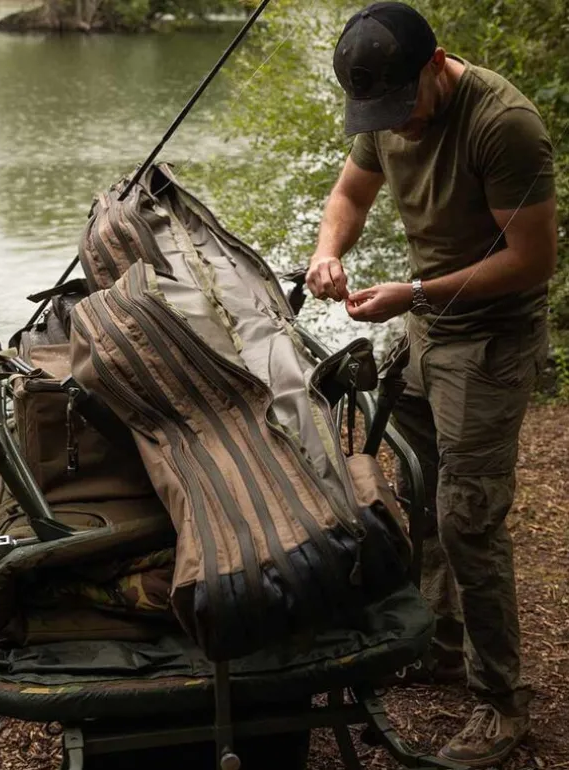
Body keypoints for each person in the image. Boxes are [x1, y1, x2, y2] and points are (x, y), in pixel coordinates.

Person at [305, 2, 557, 766]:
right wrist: (327, 252)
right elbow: (350, 196)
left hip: (490, 339)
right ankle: (440, 646)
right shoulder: (386, 107)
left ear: (437, 64)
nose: (398, 126)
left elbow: (532, 259)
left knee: (468, 518)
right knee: (419, 495)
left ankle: (501, 703)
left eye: (403, 106)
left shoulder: (503, 124)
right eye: (380, 113)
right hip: (427, 332)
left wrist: (412, 292)